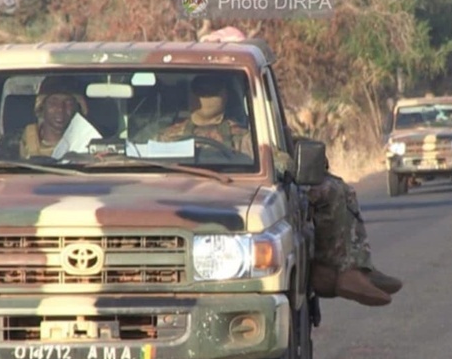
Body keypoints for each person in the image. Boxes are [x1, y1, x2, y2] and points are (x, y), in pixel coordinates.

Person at [157, 74, 401, 306]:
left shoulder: (242, 134)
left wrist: (290, 161)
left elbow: (278, 160)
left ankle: (353, 267)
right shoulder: (168, 137)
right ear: (191, 96)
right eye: (202, 90)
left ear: (226, 95)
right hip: (180, 201)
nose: (207, 97)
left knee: (333, 188)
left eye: (214, 90)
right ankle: (339, 274)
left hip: (237, 193)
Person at [0, 76, 88, 160]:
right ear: (42, 106)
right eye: (53, 102)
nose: (60, 109)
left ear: (77, 108)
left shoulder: (90, 143)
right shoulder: (13, 143)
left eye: (68, 103)